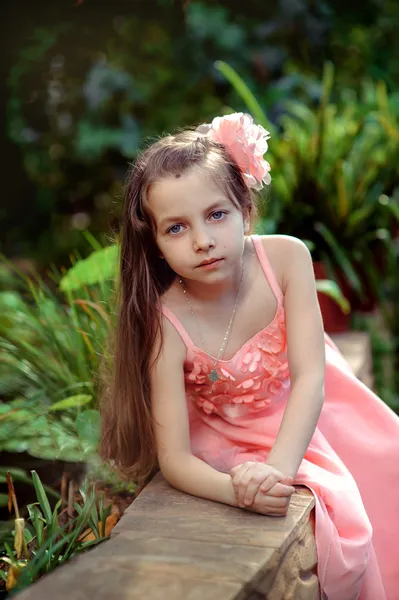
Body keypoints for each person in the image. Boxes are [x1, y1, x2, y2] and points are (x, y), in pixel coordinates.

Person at [100, 112, 399, 600]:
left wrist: (277, 472)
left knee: (389, 467)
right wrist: (242, 489)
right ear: (153, 243)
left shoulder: (286, 258)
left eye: (217, 214)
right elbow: (174, 457)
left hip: (316, 403)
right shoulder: (165, 323)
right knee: (338, 508)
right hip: (231, 433)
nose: (202, 240)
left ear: (245, 207)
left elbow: (309, 379)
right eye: (176, 228)